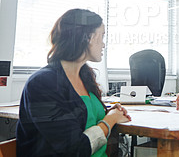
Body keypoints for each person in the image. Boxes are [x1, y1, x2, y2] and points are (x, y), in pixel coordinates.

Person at [17, 9, 131, 157]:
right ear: (88, 37)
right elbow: (74, 149)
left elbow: (84, 120)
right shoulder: (42, 83)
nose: (103, 45)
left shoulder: (85, 76)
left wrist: (108, 113)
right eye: (102, 36)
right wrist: (110, 119)